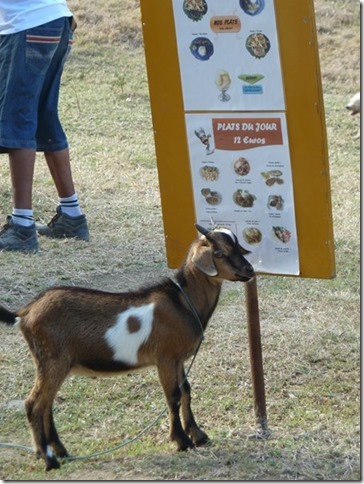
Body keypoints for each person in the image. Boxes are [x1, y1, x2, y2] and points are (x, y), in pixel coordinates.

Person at [0, 0, 89, 253]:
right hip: (56, 21)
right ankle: (71, 216)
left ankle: (22, 227)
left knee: (18, 121)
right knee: (44, 117)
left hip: (26, 25)